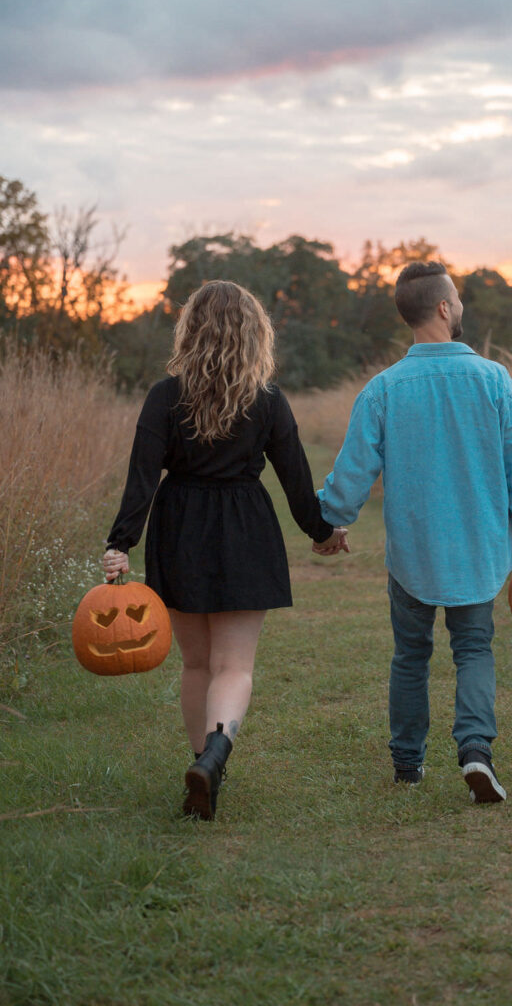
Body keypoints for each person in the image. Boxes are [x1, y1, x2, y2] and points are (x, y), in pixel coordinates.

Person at [315, 261, 512, 804]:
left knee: (410, 654)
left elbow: (352, 473)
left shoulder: (383, 389)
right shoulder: (494, 380)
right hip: (478, 551)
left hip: (413, 554)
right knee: (474, 648)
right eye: (458, 297)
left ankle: (408, 765)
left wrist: (328, 521)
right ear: (445, 308)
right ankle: (476, 752)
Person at [103, 280, 348, 821]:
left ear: (189, 330)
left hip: (179, 525)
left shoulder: (164, 397)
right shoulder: (267, 400)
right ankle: (216, 757)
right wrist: (323, 532)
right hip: (245, 527)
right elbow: (296, 483)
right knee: (233, 665)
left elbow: (141, 479)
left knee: (196, 664)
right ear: (254, 334)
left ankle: (202, 766)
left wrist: (121, 543)